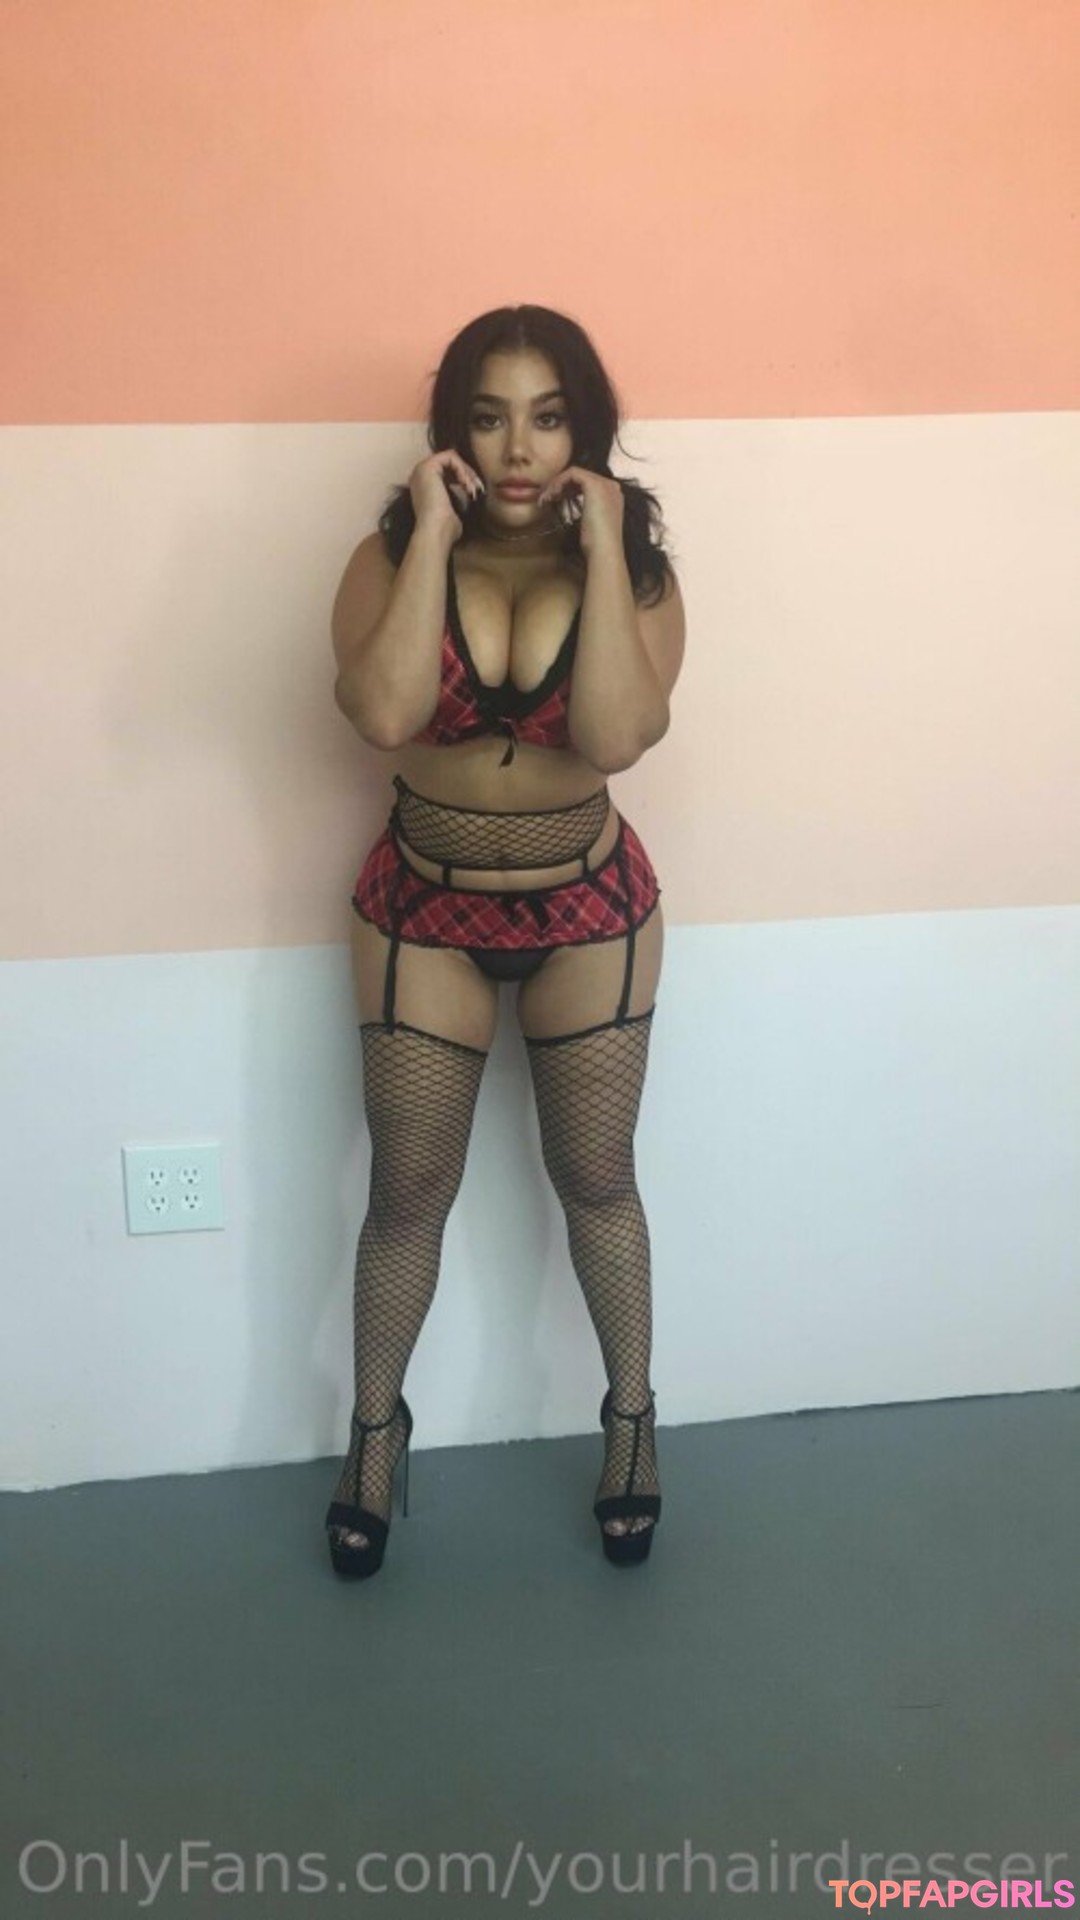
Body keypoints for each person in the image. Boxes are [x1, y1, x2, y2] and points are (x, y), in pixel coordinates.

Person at [324, 305, 685, 1579]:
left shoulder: (639, 570)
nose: (519, 449)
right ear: (452, 432)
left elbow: (616, 737)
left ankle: (630, 1423)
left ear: (587, 429)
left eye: (547, 417)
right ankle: (376, 1438)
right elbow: (382, 714)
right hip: (424, 907)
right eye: (488, 417)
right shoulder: (388, 554)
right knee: (407, 1191)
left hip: (590, 907)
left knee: (598, 1179)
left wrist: (602, 550)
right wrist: (432, 531)